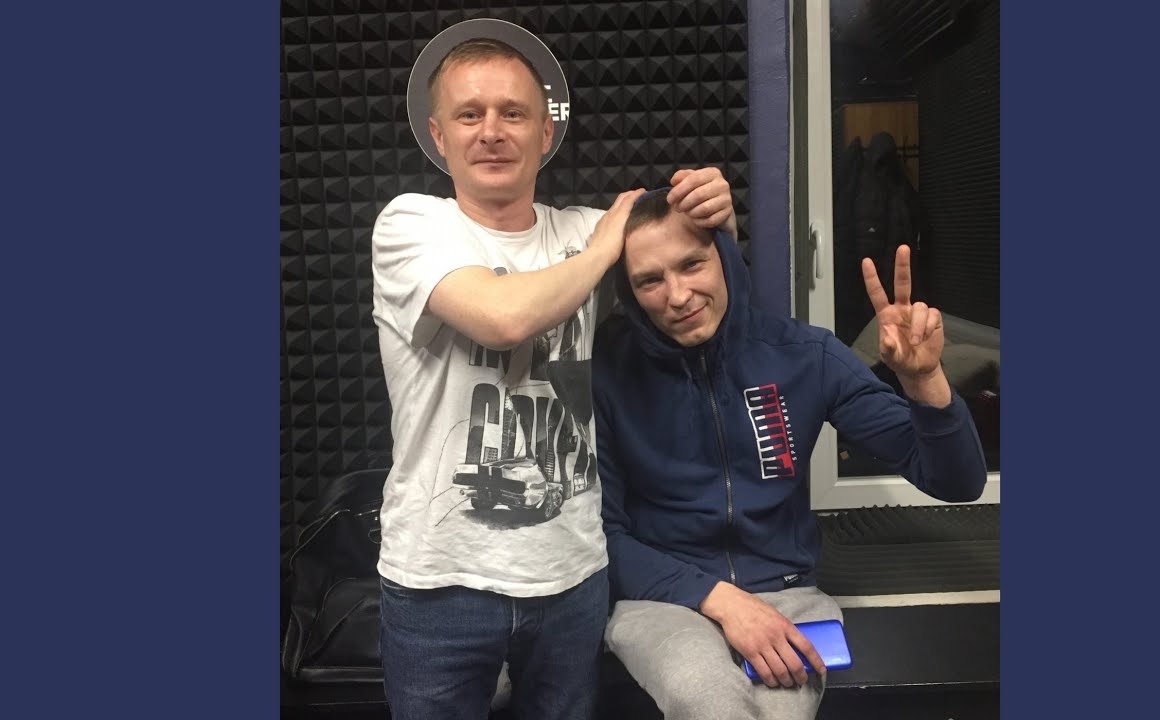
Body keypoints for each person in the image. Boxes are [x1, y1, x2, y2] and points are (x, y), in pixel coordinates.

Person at [369, 36, 737, 720]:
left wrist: (717, 214)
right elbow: (502, 318)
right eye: (470, 114)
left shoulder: (589, 229)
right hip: (440, 581)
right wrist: (602, 250)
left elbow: (698, 292)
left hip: (572, 575)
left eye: (512, 113)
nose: (491, 131)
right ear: (438, 135)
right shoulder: (412, 223)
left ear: (546, 131)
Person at [591, 188, 987, 720]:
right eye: (650, 280)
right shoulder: (607, 372)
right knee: (706, 698)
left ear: (724, 259)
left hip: (788, 592)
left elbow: (957, 482)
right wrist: (721, 599)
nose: (678, 295)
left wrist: (924, 380)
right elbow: (601, 536)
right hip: (661, 597)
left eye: (692, 264)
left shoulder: (806, 355)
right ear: (630, 292)